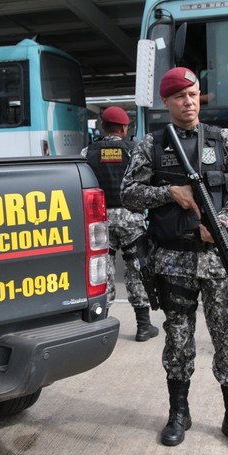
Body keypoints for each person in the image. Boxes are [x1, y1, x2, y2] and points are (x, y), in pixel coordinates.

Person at [120, 67, 228, 453]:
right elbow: (129, 193)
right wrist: (169, 192)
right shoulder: (150, 145)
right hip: (172, 262)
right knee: (178, 343)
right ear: (166, 102)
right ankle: (179, 413)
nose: (189, 101)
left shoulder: (224, 140)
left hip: (219, 260)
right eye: (180, 96)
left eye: (194, 94)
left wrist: (222, 221)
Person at [82, 106, 159, 342]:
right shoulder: (136, 150)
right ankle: (143, 326)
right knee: (137, 269)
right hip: (131, 219)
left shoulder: (87, 152)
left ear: (102, 127)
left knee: (102, 272)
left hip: (99, 221)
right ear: (125, 128)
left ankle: (99, 326)